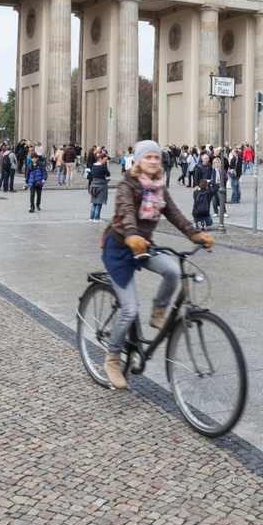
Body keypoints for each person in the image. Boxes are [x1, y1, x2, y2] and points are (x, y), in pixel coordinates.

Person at [100, 140, 213, 390]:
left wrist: (194, 234)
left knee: (173, 271)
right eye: (148, 157)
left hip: (143, 246)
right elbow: (126, 210)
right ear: (139, 160)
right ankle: (112, 359)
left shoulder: (159, 187)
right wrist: (131, 233)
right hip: (120, 247)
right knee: (129, 310)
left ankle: (158, 313)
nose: (152, 161)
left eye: (156, 157)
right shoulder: (127, 185)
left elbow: (174, 214)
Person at [89, 153, 110, 222]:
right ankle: (97, 218)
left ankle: (91, 217)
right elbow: (108, 173)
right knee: (99, 202)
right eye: (105, 159)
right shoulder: (103, 166)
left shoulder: (93, 165)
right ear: (101, 159)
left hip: (93, 184)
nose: (105, 161)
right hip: (101, 185)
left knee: (94, 202)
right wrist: (104, 175)